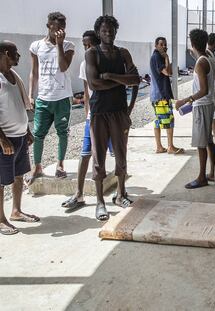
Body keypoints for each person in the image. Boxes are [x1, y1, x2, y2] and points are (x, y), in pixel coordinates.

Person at [85, 15, 140, 220]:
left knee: (121, 153)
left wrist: (111, 77)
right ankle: (100, 202)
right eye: (105, 30)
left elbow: (135, 79)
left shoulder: (123, 53)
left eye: (111, 30)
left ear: (116, 31)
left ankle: (121, 194)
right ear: (99, 32)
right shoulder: (92, 53)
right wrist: (122, 82)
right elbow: (93, 84)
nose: (109, 33)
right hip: (99, 112)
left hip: (119, 111)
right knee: (98, 157)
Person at [61, 30, 116, 209]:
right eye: (84, 46)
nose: (87, 48)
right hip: (93, 117)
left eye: (90, 45)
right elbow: (86, 92)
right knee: (85, 155)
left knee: (116, 154)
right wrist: (87, 115)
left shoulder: (106, 60)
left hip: (109, 114)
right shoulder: (85, 64)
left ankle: (121, 191)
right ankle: (79, 193)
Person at [26, 12, 75, 184]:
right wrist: (31, 95)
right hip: (44, 98)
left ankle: (60, 164)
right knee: (38, 133)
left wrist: (59, 45)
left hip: (62, 97)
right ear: (49, 26)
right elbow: (34, 72)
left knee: (62, 132)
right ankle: (37, 166)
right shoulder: (36, 46)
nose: (60, 31)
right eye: (57, 27)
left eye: (63, 27)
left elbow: (63, 67)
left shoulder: (68, 46)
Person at [0, 41, 39, 235]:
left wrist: (27, 131)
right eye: (15, 53)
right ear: (6, 53)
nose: (18, 56)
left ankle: (16, 211)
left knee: (18, 175)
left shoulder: (13, 75)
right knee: (1, 180)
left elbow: (19, 106)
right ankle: (0, 219)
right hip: (5, 140)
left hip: (20, 136)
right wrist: (3, 139)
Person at [175, 29, 215, 188]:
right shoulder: (207, 58)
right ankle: (212, 171)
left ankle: (201, 177)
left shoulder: (200, 63)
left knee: (201, 143)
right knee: (209, 140)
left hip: (202, 104)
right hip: (208, 104)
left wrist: (185, 101)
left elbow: (203, 90)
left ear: (192, 44)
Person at [150, 37, 183, 154]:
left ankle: (159, 147)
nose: (164, 46)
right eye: (161, 44)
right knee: (169, 119)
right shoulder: (157, 57)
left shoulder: (156, 57)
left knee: (158, 120)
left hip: (157, 95)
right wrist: (167, 58)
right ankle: (170, 147)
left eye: (165, 44)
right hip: (161, 95)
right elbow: (167, 72)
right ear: (156, 45)